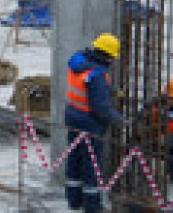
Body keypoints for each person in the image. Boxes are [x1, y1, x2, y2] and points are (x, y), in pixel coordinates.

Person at [65, 33, 125, 213]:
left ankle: (74, 201)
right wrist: (119, 120)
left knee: (74, 159)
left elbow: (86, 86)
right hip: (89, 123)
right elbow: (100, 107)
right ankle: (92, 206)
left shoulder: (78, 61)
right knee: (91, 164)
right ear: (108, 56)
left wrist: (109, 90)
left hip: (72, 116)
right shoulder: (97, 74)